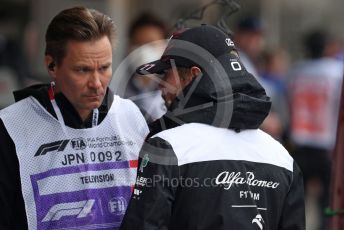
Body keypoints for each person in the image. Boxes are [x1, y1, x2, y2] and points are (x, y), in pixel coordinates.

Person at [120, 25, 305, 230]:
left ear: (193, 75)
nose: (161, 86)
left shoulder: (166, 148)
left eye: (166, 74)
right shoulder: (282, 158)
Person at [0, 6, 148, 230]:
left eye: (105, 67)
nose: (97, 83)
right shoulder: (12, 127)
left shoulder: (132, 117)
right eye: (83, 70)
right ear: (52, 65)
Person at [287, 29, 343, 230]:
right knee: (329, 205)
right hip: (328, 145)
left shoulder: (295, 71)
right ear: (328, 47)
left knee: (295, 203)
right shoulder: (337, 71)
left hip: (299, 143)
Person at [124, 12, 169, 122]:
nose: (143, 51)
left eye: (151, 44)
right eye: (138, 44)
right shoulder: (117, 89)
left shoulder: (175, 88)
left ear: (165, 46)